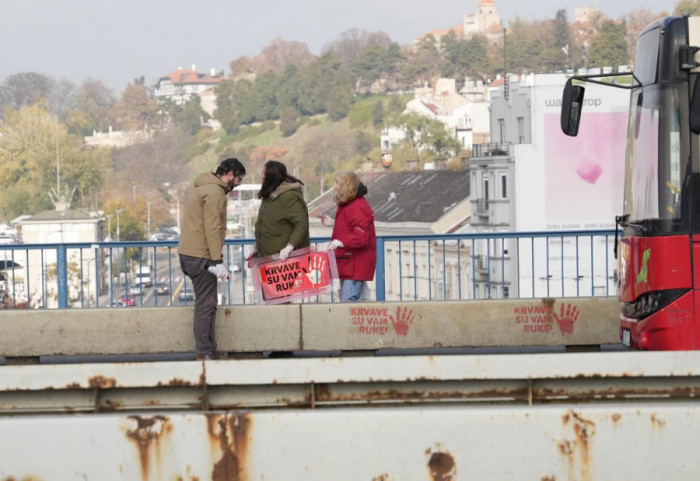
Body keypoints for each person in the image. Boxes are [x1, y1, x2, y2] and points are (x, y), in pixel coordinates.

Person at [178, 158, 246, 361]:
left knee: (208, 304)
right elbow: (213, 227)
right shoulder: (215, 192)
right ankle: (203, 353)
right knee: (205, 305)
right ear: (230, 174)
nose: (239, 183)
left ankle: (209, 349)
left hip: (189, 253)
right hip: (202, 256)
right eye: (239, 178)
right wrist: (217, 261)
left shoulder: (199, 186)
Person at [324, 172, 376, 302]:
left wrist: (341, 242)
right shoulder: (351, 205)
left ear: (346, 186)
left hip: (354, 264)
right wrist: (333, 224)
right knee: (348, 302)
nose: (335, 187)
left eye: (338, 184)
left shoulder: (357, 206)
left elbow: (361, 237)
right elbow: (353, 228)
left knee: (348, 302)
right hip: (350, 263)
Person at [247, 160, 310, 264]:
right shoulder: (268, 196)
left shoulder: (289, 197)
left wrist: (289, 247)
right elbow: (266, 225)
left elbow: (301, 224)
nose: (261, 176)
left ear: (271, 176)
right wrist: (257, 247)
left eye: (264, 173)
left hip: (283, 261)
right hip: (266, 256)